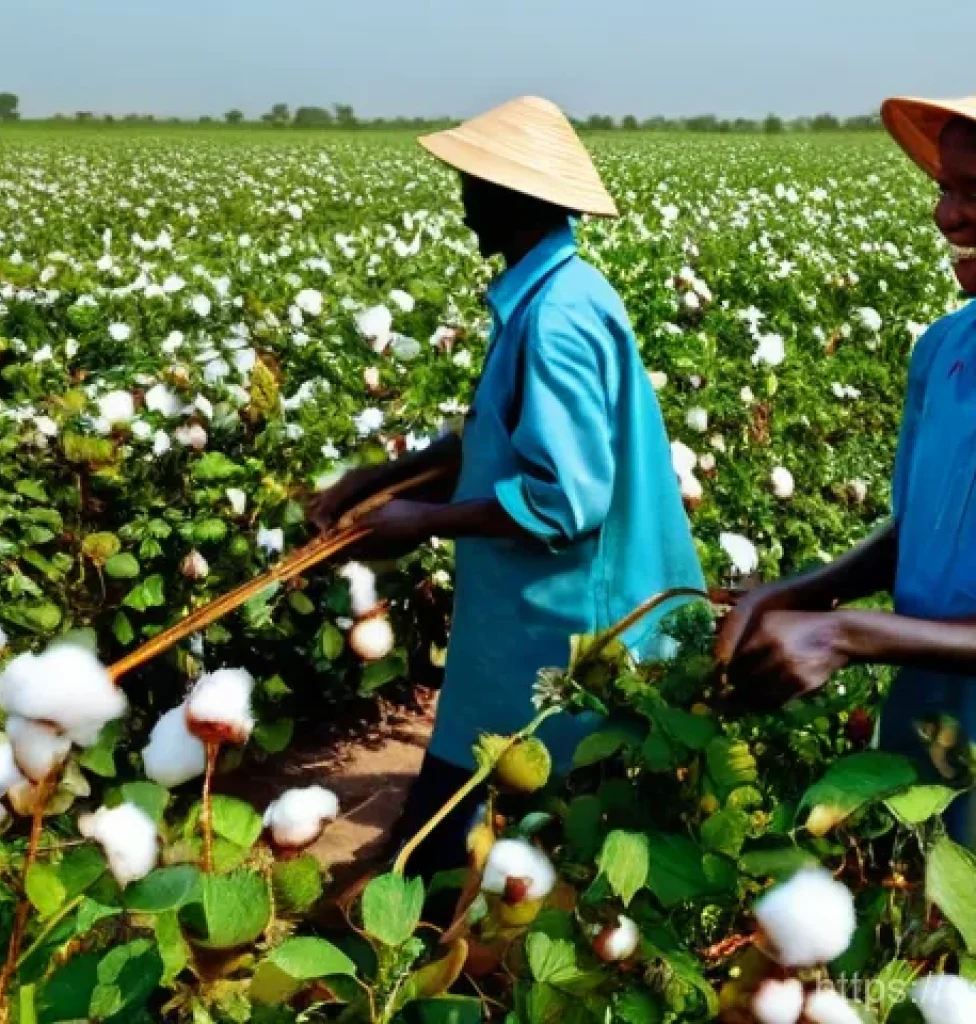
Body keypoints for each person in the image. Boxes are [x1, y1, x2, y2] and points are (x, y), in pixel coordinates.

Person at [310, 96, 705, 881]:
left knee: (535, 823)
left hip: (566, 629)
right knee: (472, 794)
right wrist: (381, 477)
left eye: (472, 186)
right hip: (518, 619)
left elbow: (563, 500)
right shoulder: (551, 295)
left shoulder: (557, 316)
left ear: (514, 197)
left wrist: (421, 521)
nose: (462, 207)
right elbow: (501, 437)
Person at [718, 93, 976, 846]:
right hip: (926, 716)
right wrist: (806, 590)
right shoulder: (945, 350)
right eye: (946, 190)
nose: (947, 219)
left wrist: (844, 636)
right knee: (916, 920)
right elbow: (919, 528)